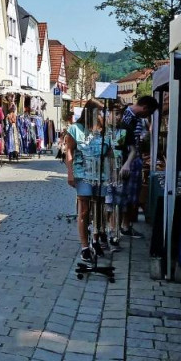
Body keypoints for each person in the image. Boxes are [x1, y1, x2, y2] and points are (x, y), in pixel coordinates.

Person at [64, 100, 106, 263]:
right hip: (82, 174)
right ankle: (84, 246)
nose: (101, 115)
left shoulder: (103, 129)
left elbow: (109, 150)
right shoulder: (75, 129)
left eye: (102, 112)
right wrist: (70, 173)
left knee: (99, 210)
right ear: (90, 112)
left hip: (101, 175)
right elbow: (69, 152)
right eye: (99, 111)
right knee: (84, 210)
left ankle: (95, 240)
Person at [116, 95, 157, 238]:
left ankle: (125, 225)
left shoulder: (136, 117)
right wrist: (127, 161)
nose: (149, 116)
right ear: (145, 107)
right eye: (149, 112)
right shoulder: (127, 117)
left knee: (132, 194)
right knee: (127, 194)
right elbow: (121, 143)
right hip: (128, 161)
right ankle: (124, 226)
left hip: (133, 159)